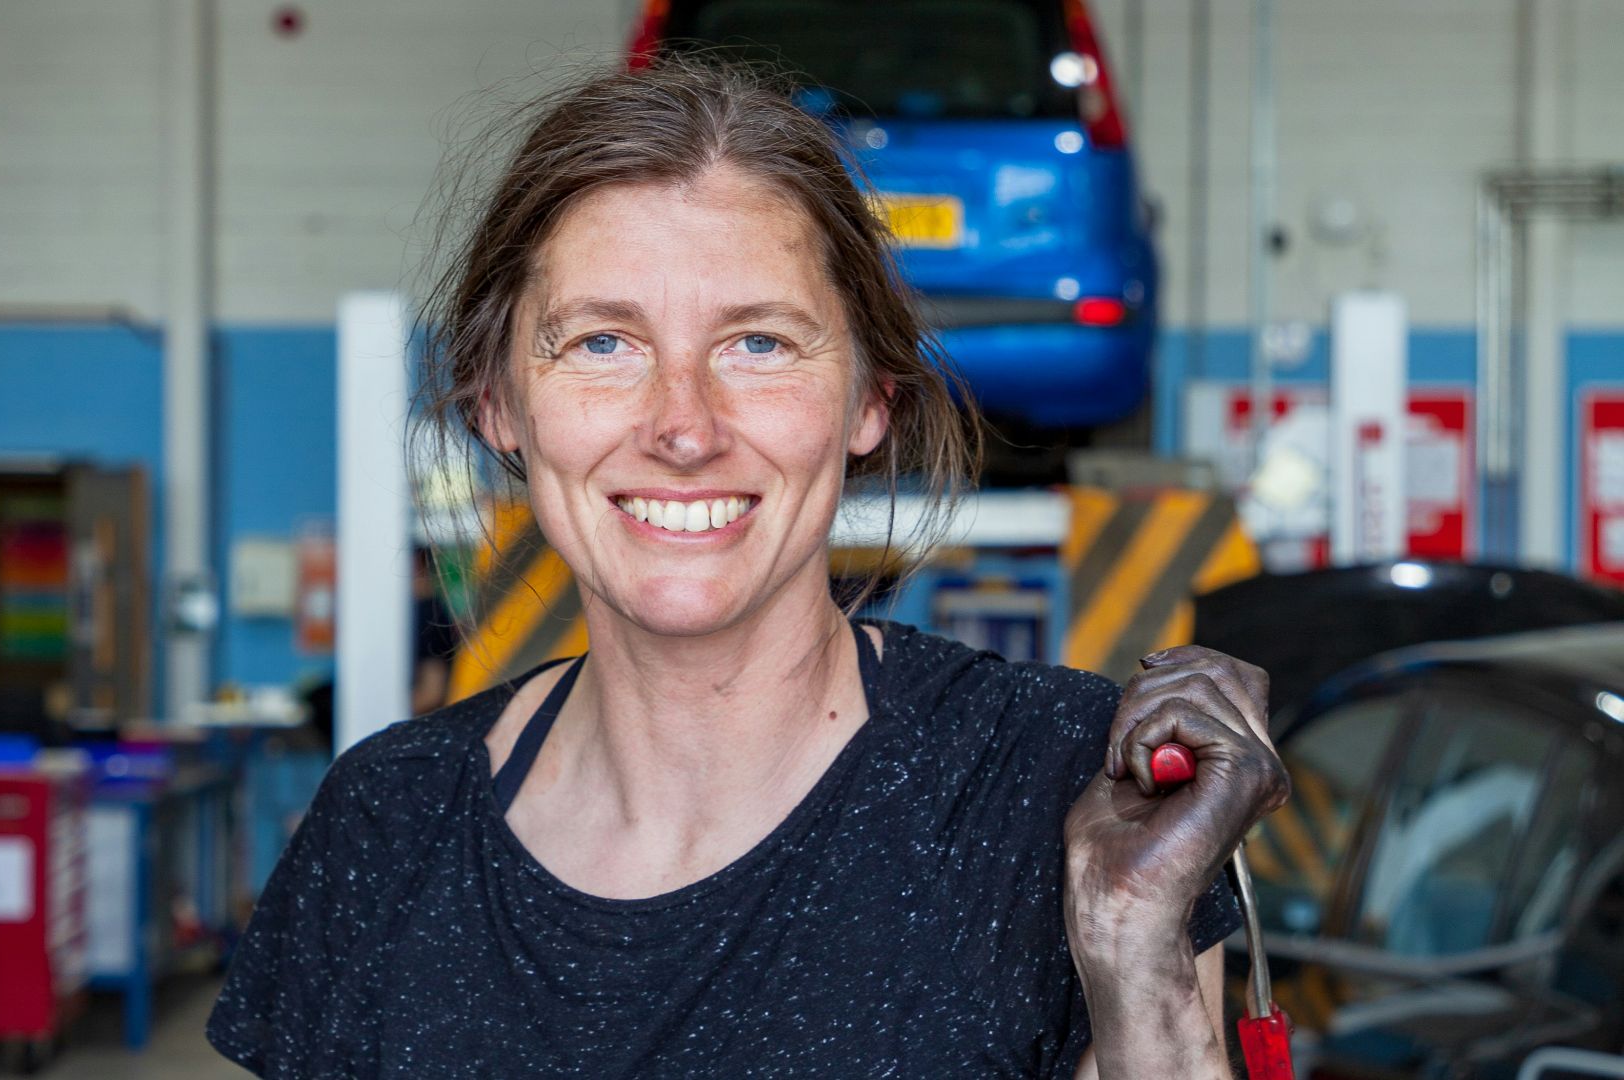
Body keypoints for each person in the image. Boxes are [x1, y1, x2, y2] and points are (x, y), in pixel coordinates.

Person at [207, 59, 1289, 1079]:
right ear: (499, 401)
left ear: (872, 400)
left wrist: (1137, 953)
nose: (683, 426)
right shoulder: (385, 828)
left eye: (759, 344)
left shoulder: (1060, 794)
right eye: (602, 343)